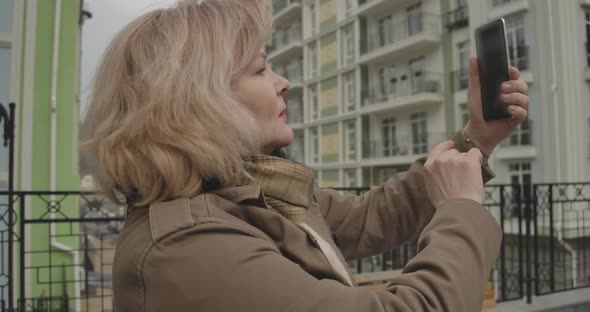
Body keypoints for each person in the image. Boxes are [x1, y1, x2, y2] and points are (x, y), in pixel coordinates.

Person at [81, 0, 529, 311]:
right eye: (260, 69)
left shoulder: (254, 195)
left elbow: (373, 215)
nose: (283, 82)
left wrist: (478, 138)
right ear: (198, 99)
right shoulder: (184, 249)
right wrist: (462, 210)